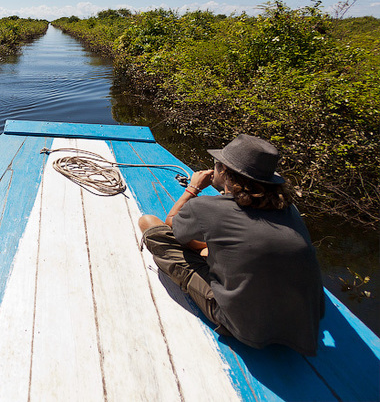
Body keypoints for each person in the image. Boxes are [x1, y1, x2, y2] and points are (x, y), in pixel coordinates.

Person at [137, 134, 324, 356]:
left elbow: (173, 225)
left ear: (224, 172)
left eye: (217, 164)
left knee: (150, 225)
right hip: (305, 325)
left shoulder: (207, 208)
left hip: (246, 329)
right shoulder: (289, 209)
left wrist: (193, 189)